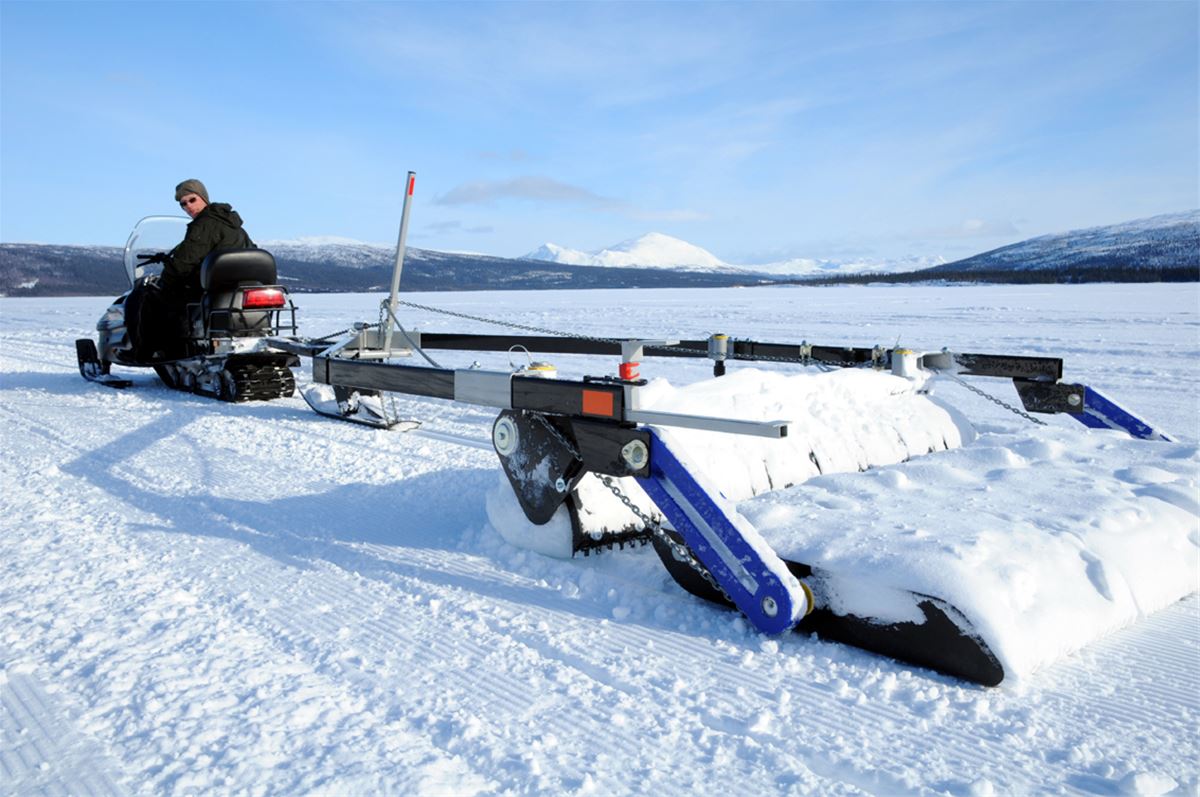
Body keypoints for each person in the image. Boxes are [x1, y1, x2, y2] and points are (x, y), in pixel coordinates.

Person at [128, 179, 256, 359]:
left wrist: (165, 280)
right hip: (238, 285)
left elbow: (184, 263)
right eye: (183, 204)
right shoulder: (231, 224)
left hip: (209, 287)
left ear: (203, 197)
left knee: (146, 295)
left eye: (192, 200)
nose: (188, 206)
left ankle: (146, 351)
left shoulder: (204, 224)